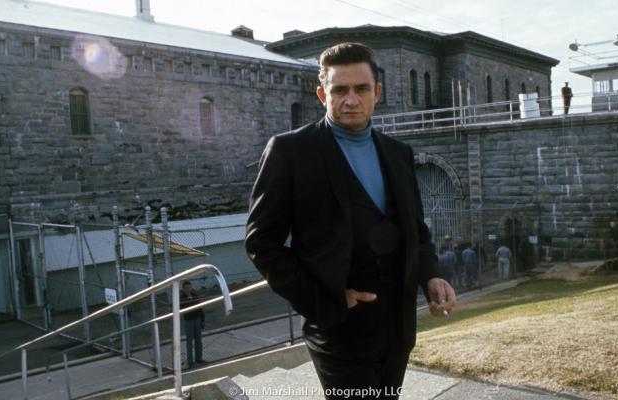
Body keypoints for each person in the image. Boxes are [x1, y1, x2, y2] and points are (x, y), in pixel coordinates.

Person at [245, 42, 455, 399]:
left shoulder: (399, 153)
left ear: (377, 92)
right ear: (321, 94)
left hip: (397, 327)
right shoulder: (289, 151)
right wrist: (322, 301)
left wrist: (431, 275)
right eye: (339, 90)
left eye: (360, 89)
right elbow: (261, 243)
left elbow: (416, 232)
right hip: (336, 329)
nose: (351, 100)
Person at [180, 281, 205, 368]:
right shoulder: (181, 298)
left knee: (198, 340)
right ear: (183, 289)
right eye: (186, 288)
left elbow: (200, 308)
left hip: (197, 319)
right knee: (189, 341)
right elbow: (184, 309)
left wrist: (202, 320)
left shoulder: (195, 295)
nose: (188, 289)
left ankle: (199, 358)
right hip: (189, 321)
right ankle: (190, 361)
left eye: (189, 287)